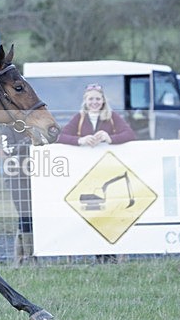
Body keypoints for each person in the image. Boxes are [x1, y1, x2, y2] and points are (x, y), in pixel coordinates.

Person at [58, 83, 136, 263]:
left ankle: (110, 255)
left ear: (103, 100)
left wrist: (110, 138)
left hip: (108, 173)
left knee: (109, 213)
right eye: (91, 99)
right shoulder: (79, 118)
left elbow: (130, 134)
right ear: (85, 100)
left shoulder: (112, 117)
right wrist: (81, 140)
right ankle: (92, 252)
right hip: (85, 174)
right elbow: (61, 137)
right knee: (91, 213)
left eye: (97, 99)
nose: (94, 102)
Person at [0, 125, 35, 266]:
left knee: (30, 215)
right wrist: (27, 141)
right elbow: (8, 149)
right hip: (16, 176)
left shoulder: (35, 125)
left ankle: (22, 257)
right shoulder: (8, 128)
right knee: (25, 213)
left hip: (37, 176)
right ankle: (27, 256)